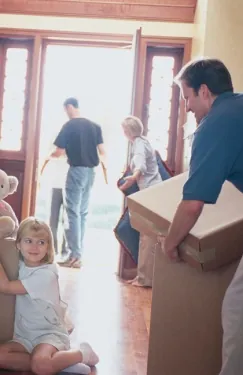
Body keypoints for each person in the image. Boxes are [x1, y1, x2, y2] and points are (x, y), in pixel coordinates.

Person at [158, 58, 243, 375]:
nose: (187, 108)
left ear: (205, 91)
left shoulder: (215, 125)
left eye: (187, 97)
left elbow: (193, 204)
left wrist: (170, 245)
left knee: (240, 307)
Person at [0, 217, 99, 375]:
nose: (34, 247)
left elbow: (5, 286)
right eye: (28, 241)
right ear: (18, 245)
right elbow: (8, 228)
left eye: (41, 242)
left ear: (48, 247)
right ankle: (60, 363)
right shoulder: (22, 263)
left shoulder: (46, 275)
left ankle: (82, 353)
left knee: (41, 367)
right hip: (24, 336)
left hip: (48, 335)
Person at [46, 97, 106, 268]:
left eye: (66, 110)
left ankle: (74, 255)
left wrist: (47, 156)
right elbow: (102, 152)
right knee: (82, 212)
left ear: (70, 107)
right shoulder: (95, 126)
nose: (66, 113)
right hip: (90, 173)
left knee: (71, 212)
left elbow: (59, 151)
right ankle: (78, 254)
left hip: (76, 170)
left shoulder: (70, 126)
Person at [120, 115, 162, 287]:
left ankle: (145, 278)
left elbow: (141, 166)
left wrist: (133, 178)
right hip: (153, 192)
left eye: (124, 130)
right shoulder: (143, 142)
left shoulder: (138, 144)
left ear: (128, 131)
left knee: (148, 236)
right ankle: (143, 276)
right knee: (146, 235)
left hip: (151, 193)